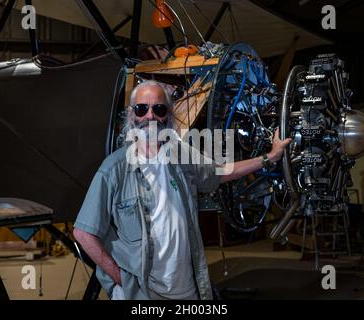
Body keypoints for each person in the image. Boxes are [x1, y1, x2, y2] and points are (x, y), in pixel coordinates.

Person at [73, 80, 291, 300]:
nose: (150, 116)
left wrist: (270, 157)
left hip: (187, 291)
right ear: (132, 115)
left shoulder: (181, 156)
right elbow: (83, 233)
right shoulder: (114, 169)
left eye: (158, 109)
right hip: (142, 295)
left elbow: (222, 172)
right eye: (142, 109)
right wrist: (122, 281)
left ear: (167, 115)